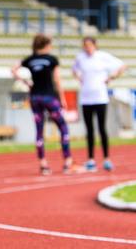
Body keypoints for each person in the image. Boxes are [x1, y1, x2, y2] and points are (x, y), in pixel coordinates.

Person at [12, 35, 72, 175]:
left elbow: (14, 69)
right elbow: (57, 80)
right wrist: (62, 98)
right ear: (46, 45)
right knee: (63, 126)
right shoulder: (51, 59)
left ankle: (43, 164)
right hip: (49, 97)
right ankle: (67, 161)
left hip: (35, 97)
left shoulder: (30, 59)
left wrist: (27, 83)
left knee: (39, 131)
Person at [73, 37, 126, 171]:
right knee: (89, 130)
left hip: (100, 98)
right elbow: (74, 70)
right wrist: (79, 77)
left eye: (90, 45)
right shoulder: (80, 58)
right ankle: (90, 159)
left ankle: (106, 159)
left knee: (102, 129)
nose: (88, 48)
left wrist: (111, 77)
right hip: (86, 98)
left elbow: (122, 65)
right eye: (85, 45)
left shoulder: (103, 56)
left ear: (95, 45)